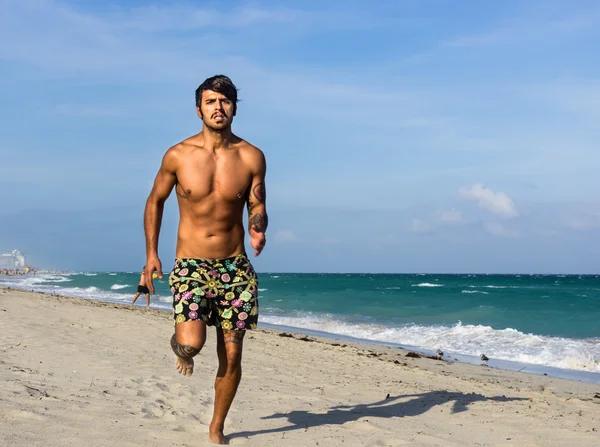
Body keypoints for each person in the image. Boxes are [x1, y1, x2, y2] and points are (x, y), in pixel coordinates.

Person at [143, 74, 268, 445]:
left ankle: (217, 428)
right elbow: (155, 202)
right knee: (192, 345)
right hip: (192, 265)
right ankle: (182, 344)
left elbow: (257, 203)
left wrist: (258, 227)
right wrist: (151, 254)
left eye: (225, 101)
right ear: (199, 109)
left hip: (235, 267)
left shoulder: (251, 156)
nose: (218, 107)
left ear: (234, 108)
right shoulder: (178, 155)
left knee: (231, 352)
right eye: (211, 101)